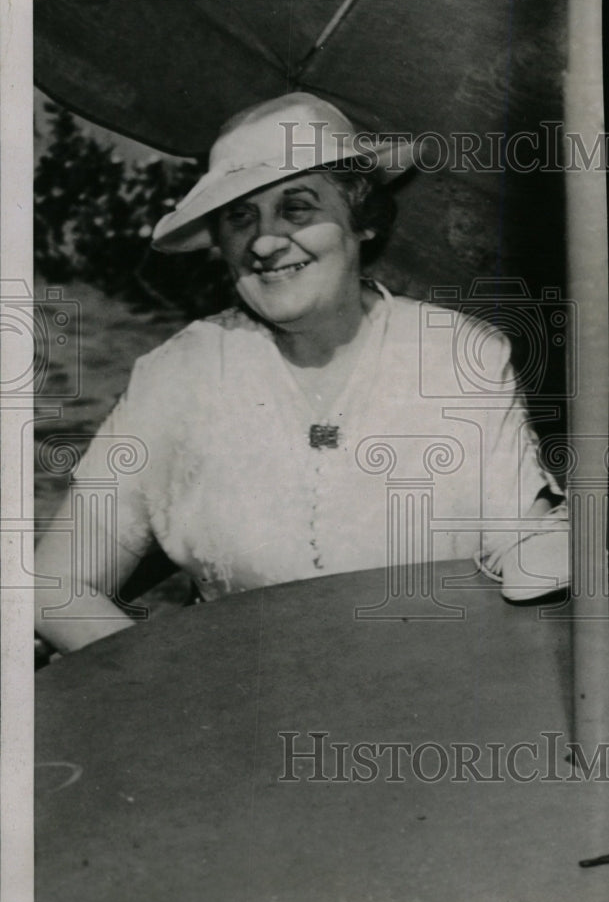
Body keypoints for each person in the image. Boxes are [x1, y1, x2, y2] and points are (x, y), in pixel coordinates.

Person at [34, 93, 569, 654]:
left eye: (297, 207)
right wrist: (170, 694)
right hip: (240, 715)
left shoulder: (458, 356)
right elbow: (51, 585)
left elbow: (524, 545)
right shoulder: (180, 373)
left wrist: (559, 540)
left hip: (433, 706)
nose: (265, 242)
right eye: (240, 217)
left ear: (360, 220)